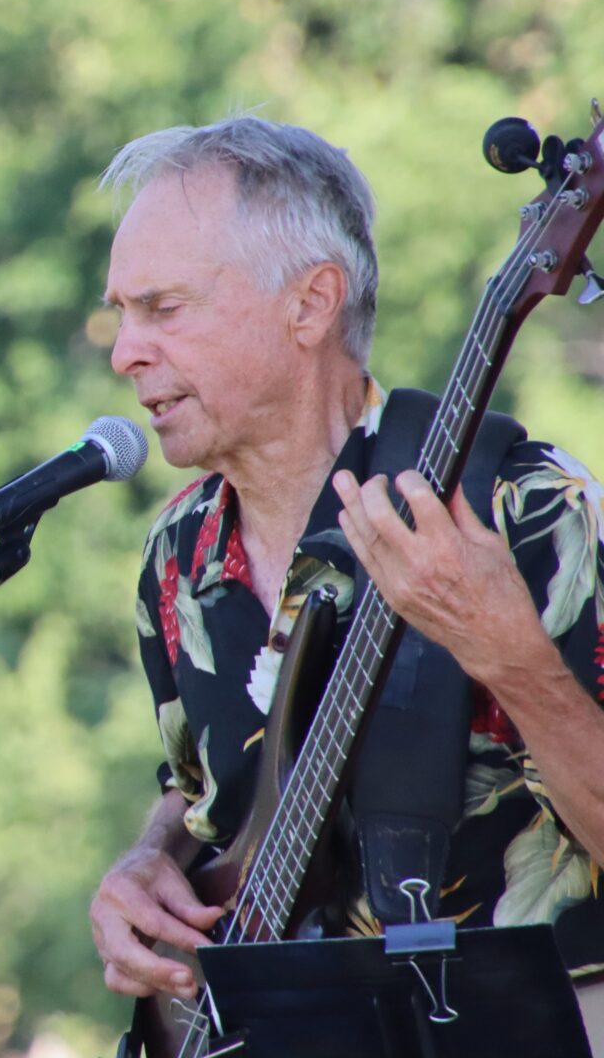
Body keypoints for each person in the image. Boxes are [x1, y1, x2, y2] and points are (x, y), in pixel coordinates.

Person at [87, 117, 604, 1027]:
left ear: (311, 303)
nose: (125, 351)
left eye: (162, 309)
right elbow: (200, 792)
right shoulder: (177, 556)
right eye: (122, 313)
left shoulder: (524, 509)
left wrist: (511, 659)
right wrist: (148, 861)